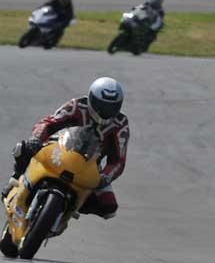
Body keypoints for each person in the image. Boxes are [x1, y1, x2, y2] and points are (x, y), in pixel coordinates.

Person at [0, 78, 129, 221]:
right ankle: (15, 179)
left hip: (91, 165)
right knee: (23, 148)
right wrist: (37, 139)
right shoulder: (77, 106)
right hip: (60, 147)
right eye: (101, 106)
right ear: (91, 98)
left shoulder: (120, 124)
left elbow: (118, 160)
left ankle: (70, 208)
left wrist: (105, 176)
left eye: (111, 108)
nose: (105, 112)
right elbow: (48, 123)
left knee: (109, 207)